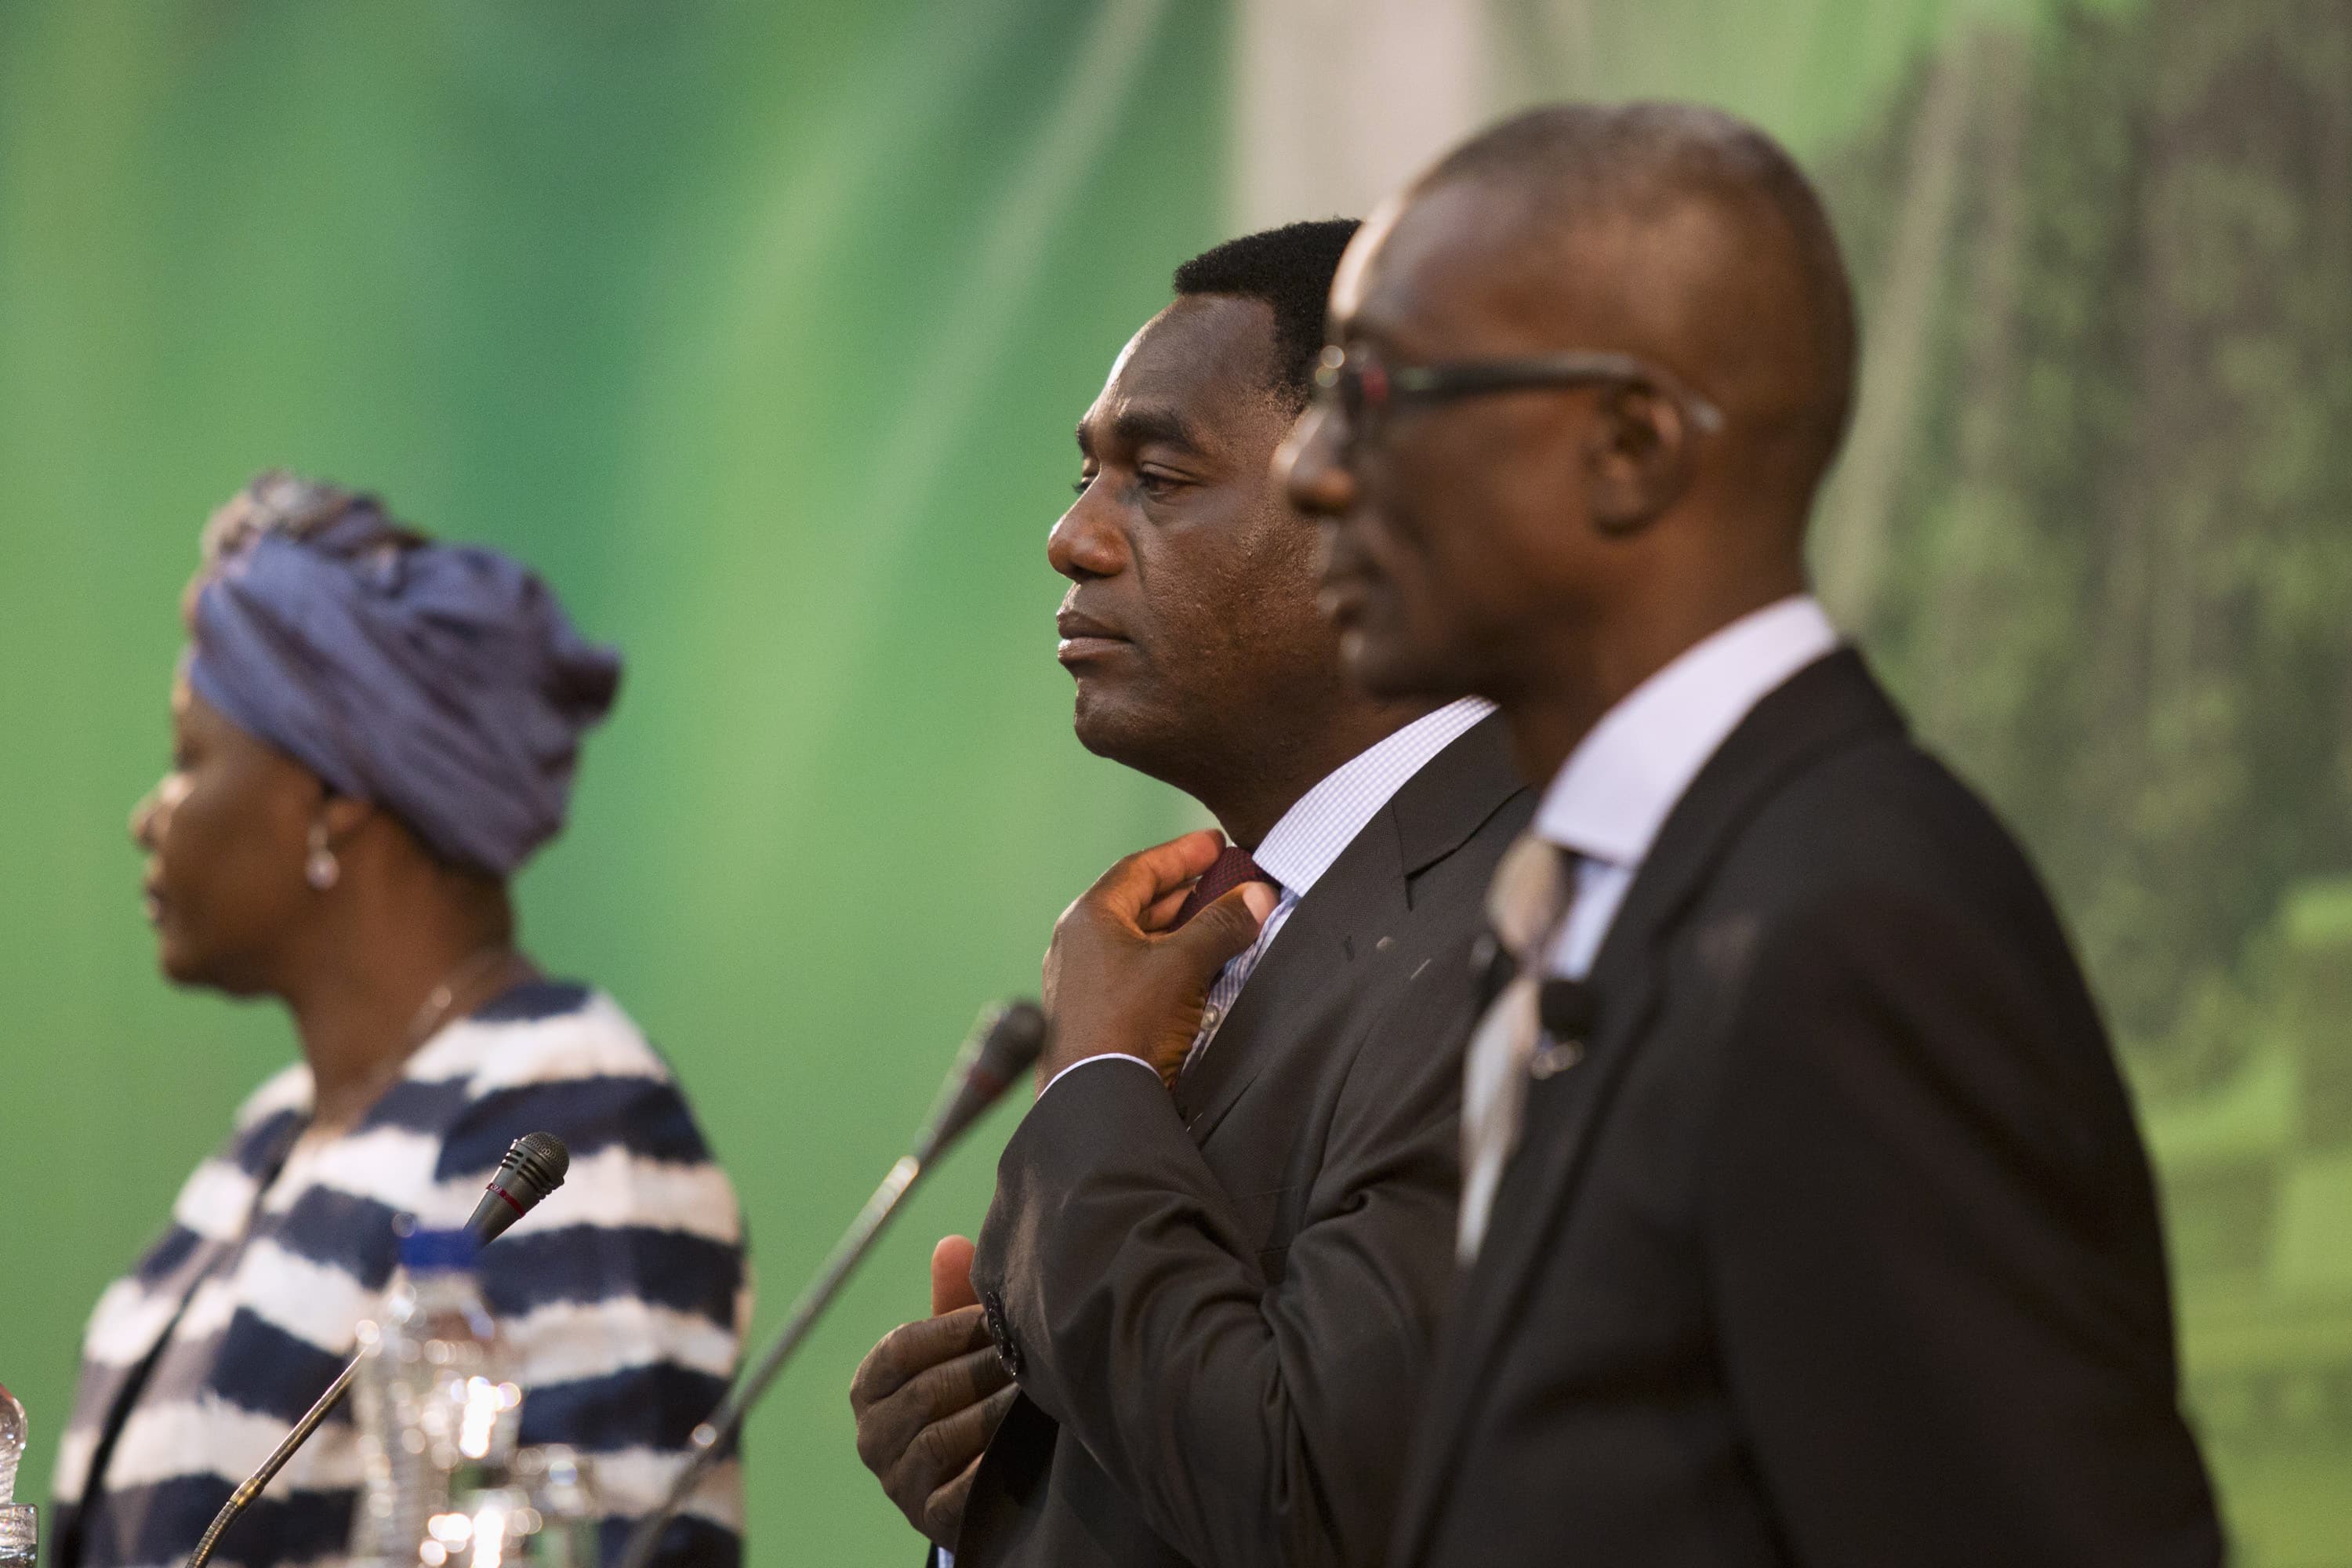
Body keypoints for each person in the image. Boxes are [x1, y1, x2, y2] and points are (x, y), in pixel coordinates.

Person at [1279, 103, 2225, 1567]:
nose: (1309, 470)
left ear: (1632, 445)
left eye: (1375, 388)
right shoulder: (1602, 909)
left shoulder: (1845, 929)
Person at [848, 221, 1531, 1568]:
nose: (1071, 538)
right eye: (1085, 473)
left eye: (1156, 478)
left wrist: (1097, 1076)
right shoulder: (1241, 926)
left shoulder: (1511, 927)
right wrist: (1018, 1487)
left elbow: (1310, 1498)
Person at [52, 474, 749, 1568]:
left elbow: (603, 1543)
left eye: (190, 759)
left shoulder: (567, 1111)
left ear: (336, 798)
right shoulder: (266, 1138)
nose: (153, 815)